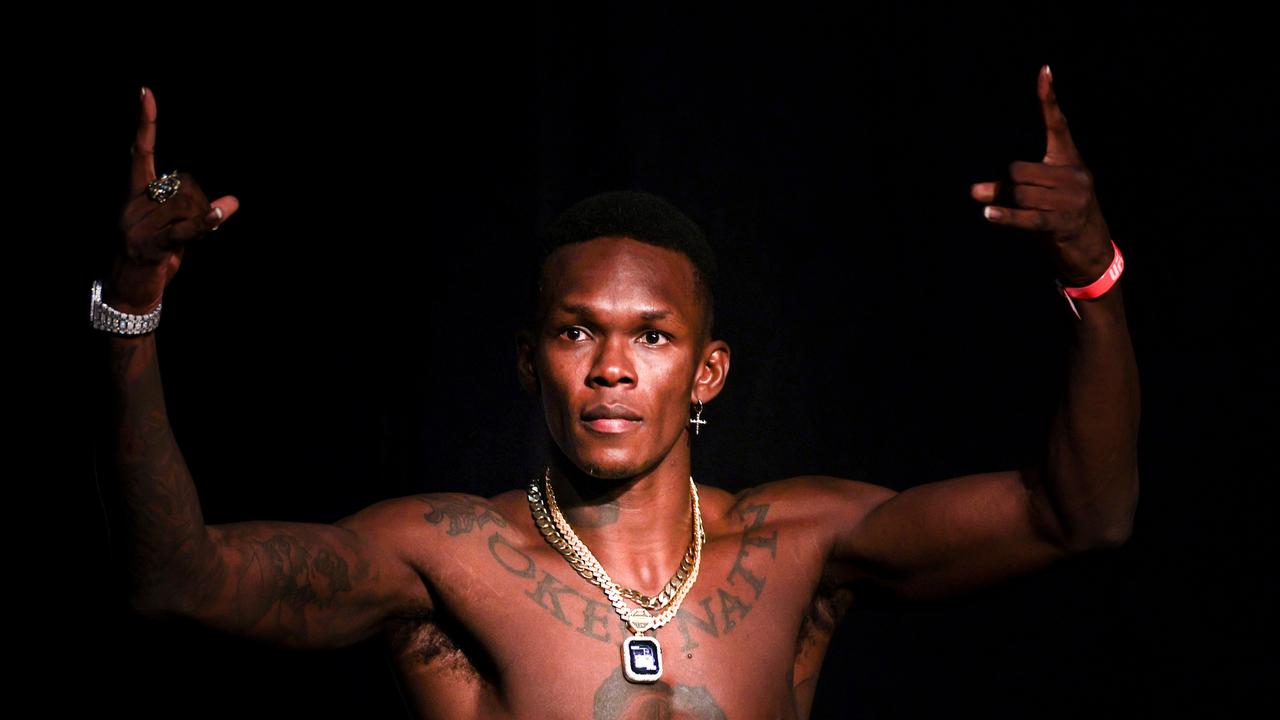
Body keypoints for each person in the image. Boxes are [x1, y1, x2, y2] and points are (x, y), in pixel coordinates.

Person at [93, 65, 1139, 719]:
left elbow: (1079, 515)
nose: (609, 367)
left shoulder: (801, 547)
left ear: (706, 371)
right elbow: (179, 581)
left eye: (650, 336)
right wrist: (132, 310)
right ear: (526, 362)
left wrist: (1091, 279)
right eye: (573, 331)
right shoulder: (446, 562)